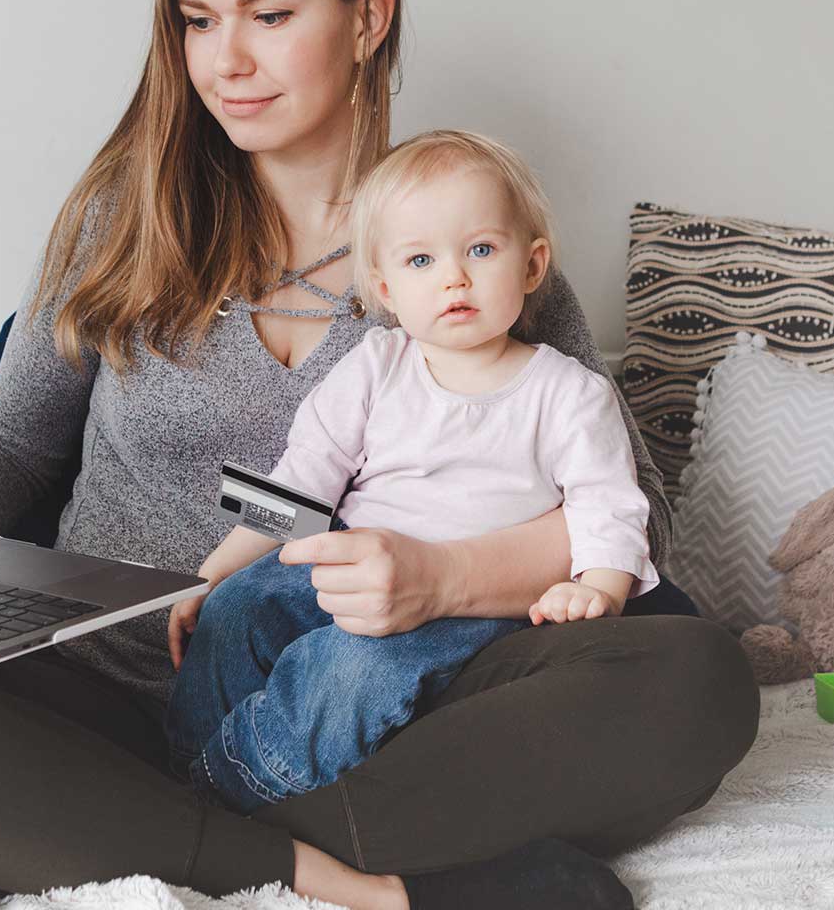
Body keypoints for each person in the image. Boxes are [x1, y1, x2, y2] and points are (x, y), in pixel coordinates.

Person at [0, 0, 758, 909]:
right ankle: (367, 884)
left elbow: (634, 531)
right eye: (199, 21)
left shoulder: (474, 262)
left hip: (387, 705)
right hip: (115, 697)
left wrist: (442, 580)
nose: (225, 61)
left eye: (271, 14)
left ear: (369, 17)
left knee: (696, 677)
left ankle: (140, 837)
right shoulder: (120, 225)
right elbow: (16, 445)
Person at [164, 130, 663, 820]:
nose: (454, 277)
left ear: (532, 264)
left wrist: (599, 589)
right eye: (422, 260)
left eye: (481, 250)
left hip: (470, 606)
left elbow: (608, 504)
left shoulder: (568, 391)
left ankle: (239, 789)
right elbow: (304, 477)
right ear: (386, 288)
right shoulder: (375, 364)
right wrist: (215, 570)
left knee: (351, 671)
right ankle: (180, 765)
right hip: (350, 559)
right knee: (238, 610)